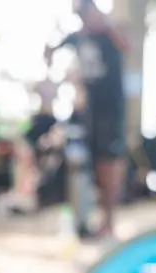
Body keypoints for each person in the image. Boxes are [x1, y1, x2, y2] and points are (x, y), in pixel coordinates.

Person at [45, 0, 129, 238]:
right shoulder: (77, 36)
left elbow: (127, 45)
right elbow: (50, 50)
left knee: (109, 163)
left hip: (111, 110)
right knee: (91, 164)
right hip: (90, 111)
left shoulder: (109, 33)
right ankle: (93, 219)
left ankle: (109, 222)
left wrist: (106, 25)